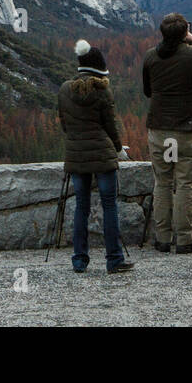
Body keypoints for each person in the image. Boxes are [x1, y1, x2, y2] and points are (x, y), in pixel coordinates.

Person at [58, 39, 133, 274]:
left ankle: (79, 259)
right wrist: (119, 149)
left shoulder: (64, 90)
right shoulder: (103, 91)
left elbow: (65, 126)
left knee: (82, 206)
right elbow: (110, 126)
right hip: (102, 154)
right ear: (99, 69)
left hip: (76, 155)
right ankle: (114, 259)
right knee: (109, 205)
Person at [142, 13, 192, 254]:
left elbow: (147, 91)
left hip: (159, 129)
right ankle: (185, 239)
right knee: (185, 184)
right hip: (186, 129)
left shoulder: (150, 57)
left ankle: (162, 238)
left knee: (162, 183)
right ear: (185, 33)